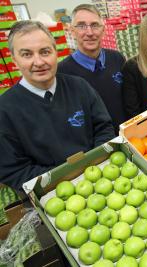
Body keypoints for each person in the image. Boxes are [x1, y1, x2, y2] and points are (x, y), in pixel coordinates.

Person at [0, 21, 115, 190]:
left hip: (100, 179)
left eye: (45, 52)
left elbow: (103, 127)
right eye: (27, 54)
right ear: (14, 60)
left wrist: (94, 168)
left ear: (56, 53)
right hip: (51, 195)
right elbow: (14, 170)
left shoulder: (79, 87)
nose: (38, 62)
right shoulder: (5, 110)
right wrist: (66, 180)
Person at [58, 4, 127, 133]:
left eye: (95, 25)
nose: (89, 33)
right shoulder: (62, 73)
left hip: (128, 137)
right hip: (94, 147)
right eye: (81, 26)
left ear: (103, 30)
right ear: (72, 31)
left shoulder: (117, 58)